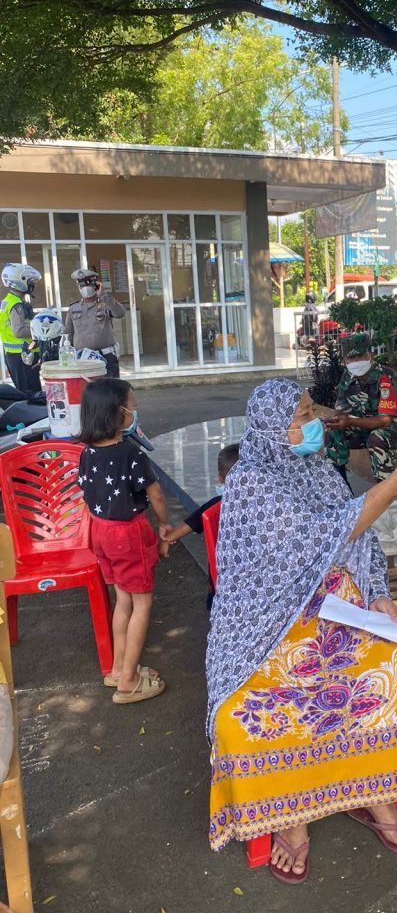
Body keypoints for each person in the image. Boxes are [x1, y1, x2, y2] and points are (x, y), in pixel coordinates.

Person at [206, 379, 397, 882]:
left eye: (311, 410)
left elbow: (357, 536)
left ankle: (375, 793)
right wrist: (394, 484)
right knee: (248, 720)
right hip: (270, 625)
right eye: (301, 415)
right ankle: (292, 821)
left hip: (340, 610)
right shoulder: (251, 479)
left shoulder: (315, 467)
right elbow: (324, 534)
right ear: (273, 429)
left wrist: (376, 587)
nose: (313, 422)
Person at [78, 378, 170, 705]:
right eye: (131, 407)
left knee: (124, 600)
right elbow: (155, 493)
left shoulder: (87, 453)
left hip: (100, 532)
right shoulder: (131, 454)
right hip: (127, 535)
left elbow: (86, 495)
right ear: (117, 415)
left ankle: (118, 668)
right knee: (142, 603)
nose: (135, 412)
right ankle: (130, 681)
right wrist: (163, 524)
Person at [326, 333, 397, 483]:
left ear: (371, 355)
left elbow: (385, 420)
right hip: (369, 423)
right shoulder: (347, 376)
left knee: (377, 437)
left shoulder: (385, 376)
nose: (356, 362)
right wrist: (336, 419)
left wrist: (350, 422)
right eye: (351, 358)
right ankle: (340, 491)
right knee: (333, 432)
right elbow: (342, 408)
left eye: (360, 357)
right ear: (344, 360)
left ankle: (385, 493)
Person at [162, 442, 240, 608]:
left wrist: (168, 539)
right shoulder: (262, 505)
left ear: (220, 478)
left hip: (222, 575)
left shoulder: (215, 505)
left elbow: (189, 524)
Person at [64, 269, 125, 377]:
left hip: (106, 357)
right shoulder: (74, 308)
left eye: (88, 284)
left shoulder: (106, 303)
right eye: (81, 285)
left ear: (96, 285)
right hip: (82, 359)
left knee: (110, 392)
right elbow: (68, 333)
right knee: (86, 392)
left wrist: (104, 295)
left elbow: (119, 313)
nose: (85, 288)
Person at [0, 263, 41, 394]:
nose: (32, 285)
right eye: (30, 281)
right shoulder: (16, 305)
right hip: (22, 356)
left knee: (25, 392)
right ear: (20, 281)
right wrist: (38, 329)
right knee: (31, 394)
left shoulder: (10, 301)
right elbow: (18, 331)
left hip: (18, 356)